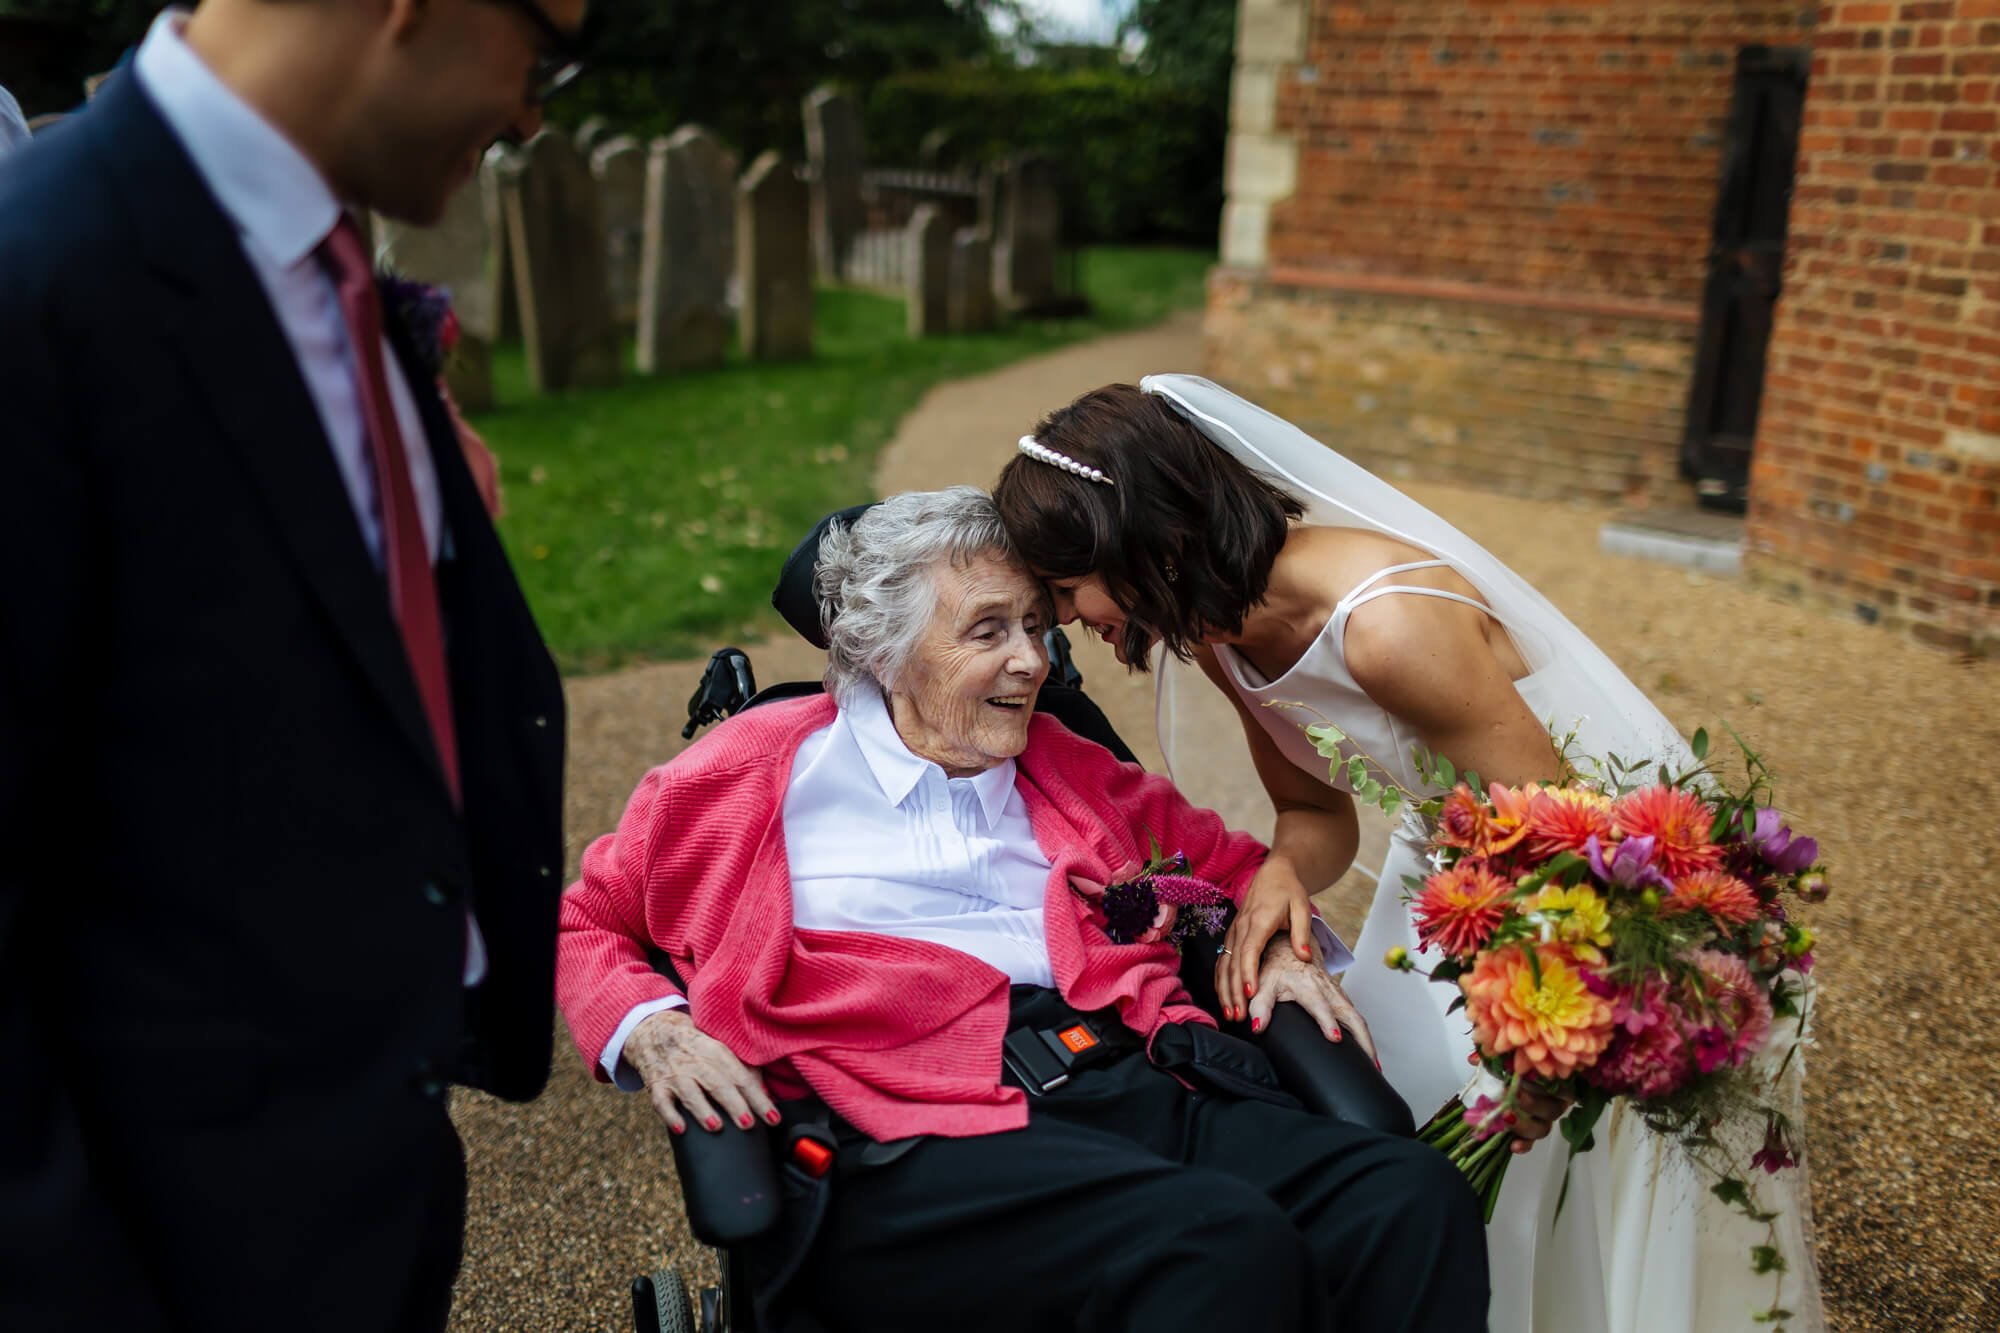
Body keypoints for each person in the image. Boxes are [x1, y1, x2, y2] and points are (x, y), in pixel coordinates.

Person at [992, 377, 1825, 1332]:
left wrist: (1541, 1031)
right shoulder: (1224, 635)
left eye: (1065, 588)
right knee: (1401, 1116)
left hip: (1581, 891)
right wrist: (1276, 871)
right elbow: (1316, 810)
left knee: (1546, 1149)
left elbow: (1579, 838)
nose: (1062, 620)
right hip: (1453, 879)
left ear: (1136, 531)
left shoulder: (1386, 629)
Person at [556, 488, 1489, 1332]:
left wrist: (1278, 946)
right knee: (1216, 1246)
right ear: (883, 650)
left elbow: (1241, 868)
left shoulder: (1068, 765)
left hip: (1128, 1081)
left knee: (1409, 1197)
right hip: (906, 1131)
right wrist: (655, 1030)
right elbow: (586, 922)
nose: (1032, 661)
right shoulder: (748, 775)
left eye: (1039, 627)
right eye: (987, 630)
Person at [0, 2, 582, 1328]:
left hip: (363, 1178)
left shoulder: (316, 266)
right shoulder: (40, 285)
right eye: (544, 49)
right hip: (162, 1248)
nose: (533, 111)